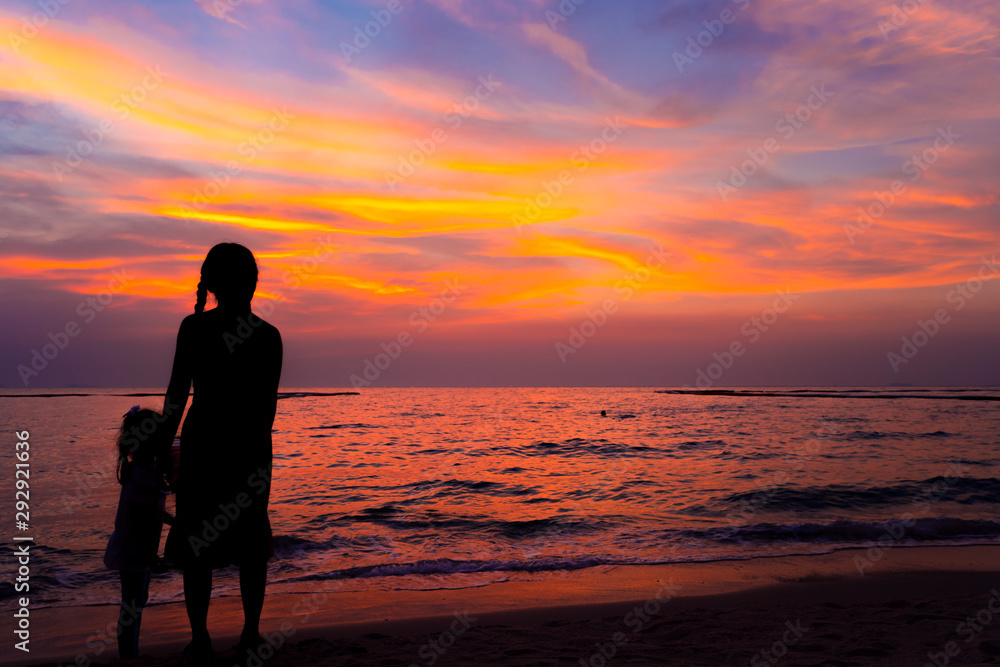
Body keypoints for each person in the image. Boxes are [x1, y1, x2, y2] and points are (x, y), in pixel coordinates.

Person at [162, 243, 283, 665]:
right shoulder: (267, 335)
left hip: (205, 445)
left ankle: (202, 639)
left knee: (199, 545)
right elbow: (266, 408)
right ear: (252, 283)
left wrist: (164, 447)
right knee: (251, 545)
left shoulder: (194, 329)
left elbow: (176, 397)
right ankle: (249, 634)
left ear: (211, 284)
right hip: (249, 448)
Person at [103, 405, 170, 660]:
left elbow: (152, 514)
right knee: (132, 605)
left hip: (135, 550)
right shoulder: (144, 477)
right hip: (135, 551)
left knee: (135, 602)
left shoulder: (142, 472)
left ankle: (130, 654)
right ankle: (128, 657)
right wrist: (150, 556)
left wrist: (174, 522)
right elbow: (143, 520)